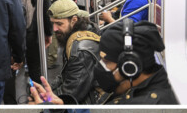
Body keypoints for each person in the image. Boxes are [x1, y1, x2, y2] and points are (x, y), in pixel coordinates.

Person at [28, 20, 178, 104]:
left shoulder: (149, 104)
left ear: (129, 66)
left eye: (106, 62)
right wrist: (62, 105)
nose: (101, 67)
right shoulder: (140, 87)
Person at [27, 0, 100, 107]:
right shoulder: (78, 35)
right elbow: (66, 74)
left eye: (59, 24)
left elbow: (71, 93)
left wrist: (48, 99)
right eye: (53, 23)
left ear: (74, 20)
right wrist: (48, 90)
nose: (54, 29)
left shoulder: (80, 51)